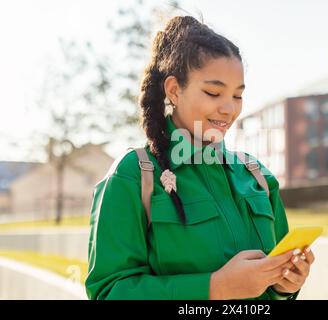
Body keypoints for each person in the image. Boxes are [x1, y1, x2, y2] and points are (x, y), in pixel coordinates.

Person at [85, 15, 315, 300]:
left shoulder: (258, 177)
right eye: (213, 92)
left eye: (238, 96)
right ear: (174, 90)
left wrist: (284, 287)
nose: (229, 109)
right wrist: (214, 288)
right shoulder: (133, 175)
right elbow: (109, 293)